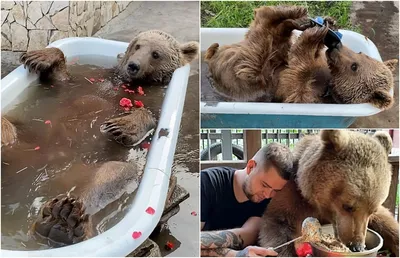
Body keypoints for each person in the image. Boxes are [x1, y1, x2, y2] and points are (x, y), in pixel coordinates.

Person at [200, 142, 294, 257]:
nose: (268, 194)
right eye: (265, 185)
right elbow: (190, 240)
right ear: (250, 167)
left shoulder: (268, 201)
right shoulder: (207, 182)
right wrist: (235, 255)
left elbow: (247, 235)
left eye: (276, 190)